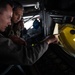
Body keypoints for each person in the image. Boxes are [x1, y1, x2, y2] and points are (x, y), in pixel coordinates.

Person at [0, 0, 58, 65]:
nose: (9, 23)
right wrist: (48, 40)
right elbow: (28, 57)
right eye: (8, 17)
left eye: (21, 16)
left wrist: (12, 37)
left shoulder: (18, 25)